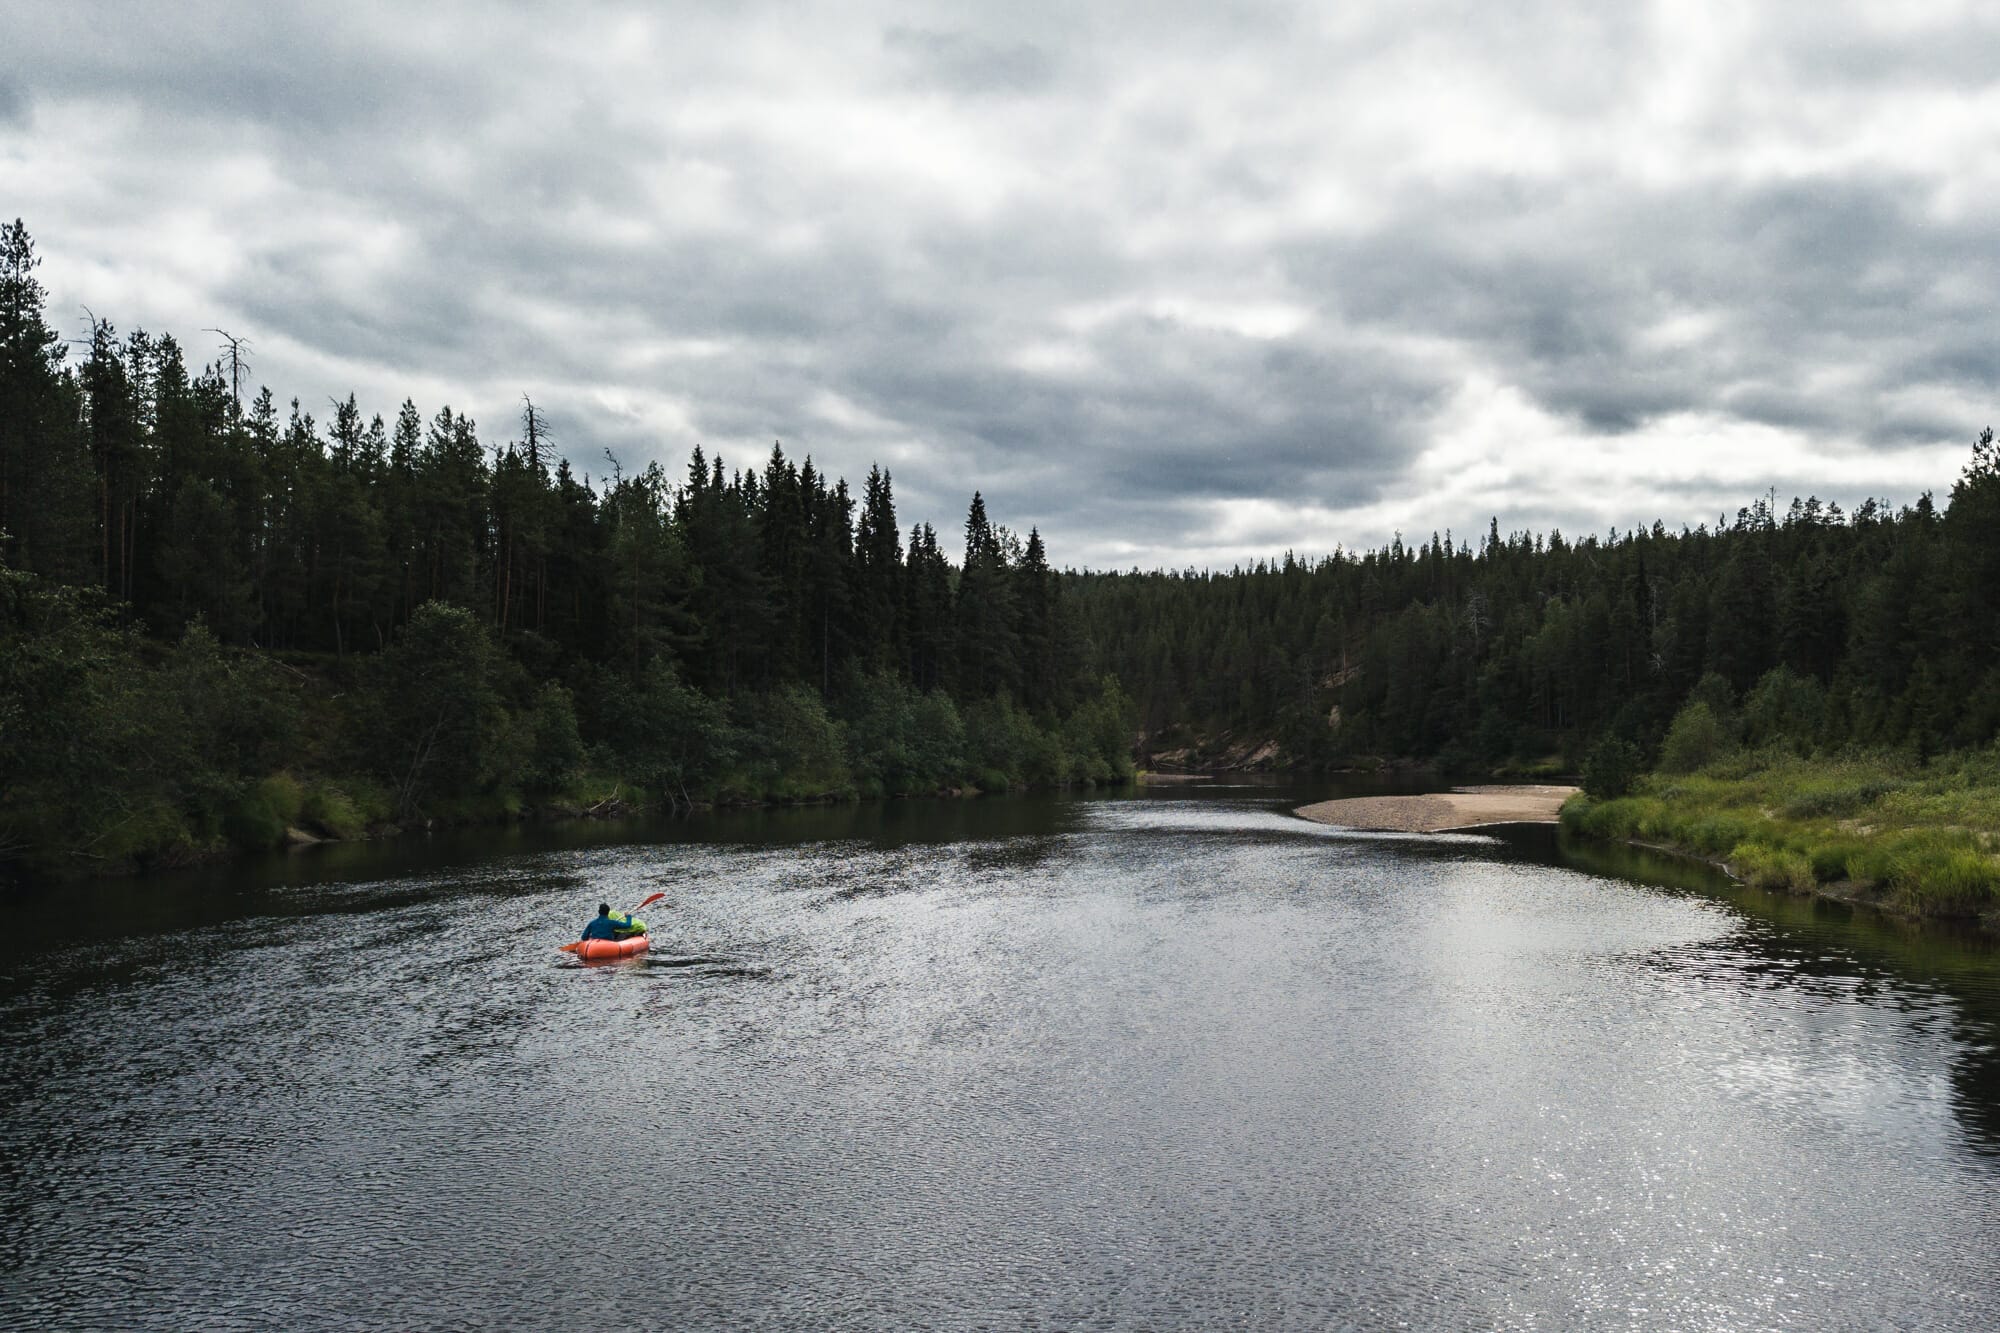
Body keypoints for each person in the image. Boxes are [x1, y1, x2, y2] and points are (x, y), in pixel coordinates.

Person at [580, 902, 647, 942]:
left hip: (594, 943)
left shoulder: (592, 923)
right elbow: (628, 925)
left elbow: (584, 937)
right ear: (608, 912)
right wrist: (628, 917)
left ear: (599, 912)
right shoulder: (612, 923)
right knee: (623, 934)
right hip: (608, 944)